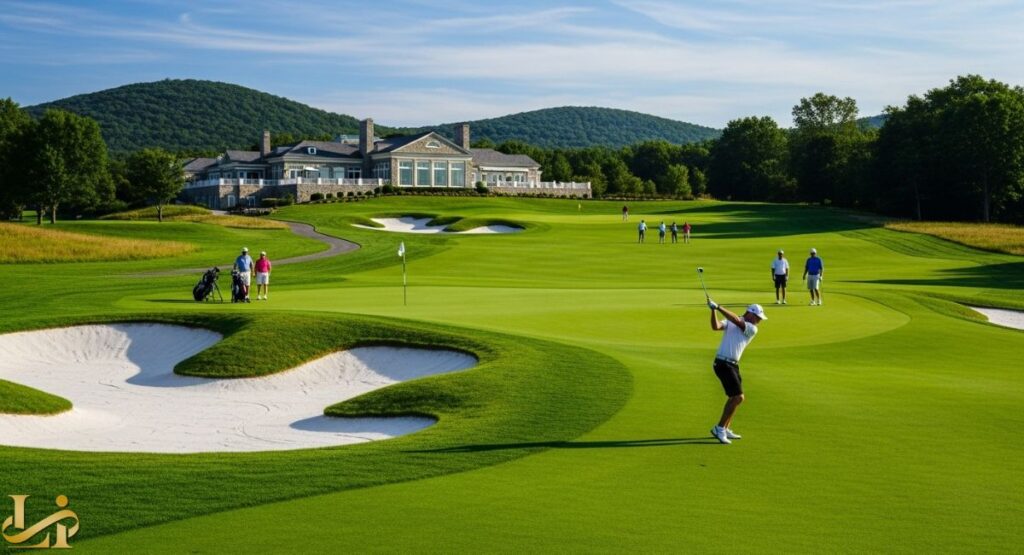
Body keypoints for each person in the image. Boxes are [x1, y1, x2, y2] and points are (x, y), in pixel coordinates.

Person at [706, 300, 767, 444]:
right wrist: (713, 310)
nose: (759, 321)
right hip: (723, 363)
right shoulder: (734, 321)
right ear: (750, 314)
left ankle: (725, 428)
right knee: (738, 397)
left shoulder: (752, 328)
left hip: (732, 365)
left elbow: (735, 320)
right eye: (758, 317)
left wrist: (719, 307)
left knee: (736, 398)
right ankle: (719, 428)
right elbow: (716, 326)